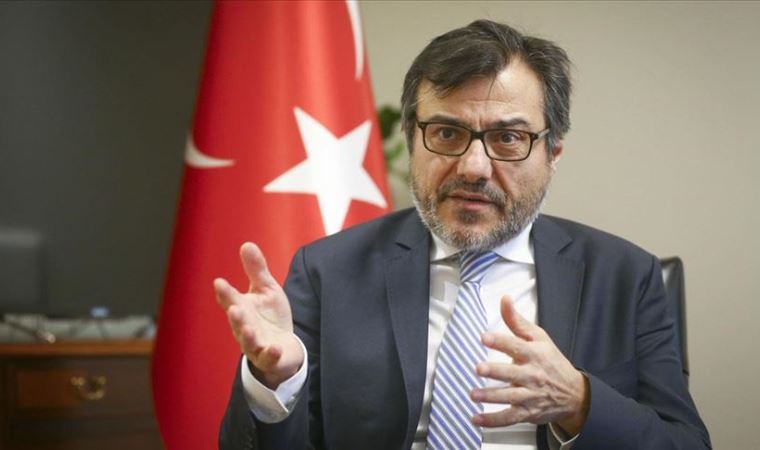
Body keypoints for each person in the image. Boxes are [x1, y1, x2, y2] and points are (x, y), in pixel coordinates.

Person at [215, 20, 711, 450]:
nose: (474, 167)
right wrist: (275, 382)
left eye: (508, 138)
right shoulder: (328, 271)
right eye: (447, 133)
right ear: (412, 137)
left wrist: (579, 402)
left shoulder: (627, 277)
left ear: (553, 153)